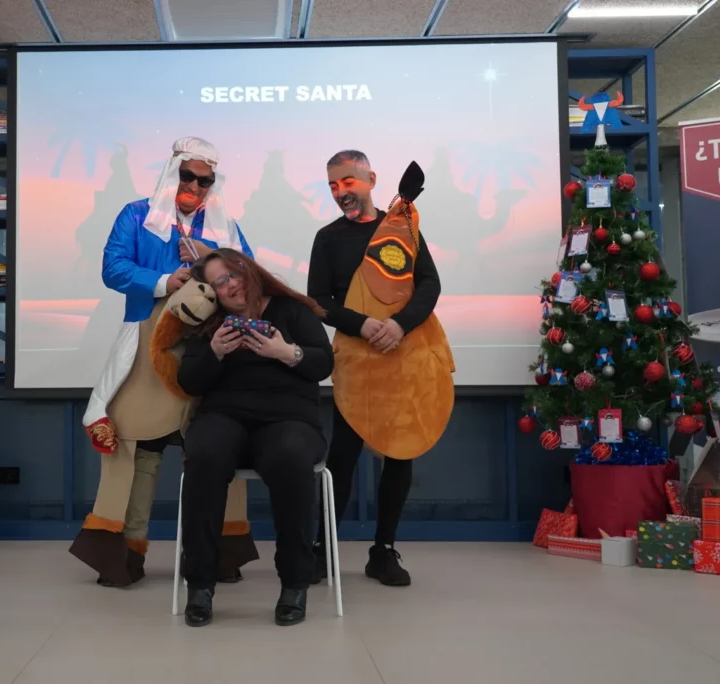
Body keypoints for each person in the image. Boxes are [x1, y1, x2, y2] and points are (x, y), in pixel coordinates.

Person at [77, 137, 254, 587]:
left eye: (205, 180)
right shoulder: (137, 215)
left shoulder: (225, 227)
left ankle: (217, 554)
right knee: (140, 450)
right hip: (146, 345)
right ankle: (126, 554)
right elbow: (112, 266)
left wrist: (213, 265)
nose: (195, 185)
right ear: (172, 172)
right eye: (188, 175)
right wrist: (163, 279)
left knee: (216, 451)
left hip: (210, 350)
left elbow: (250, 278)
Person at [307, 150, 452, 587]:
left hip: (403, 354)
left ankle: (383, 551)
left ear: (370, 178)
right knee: (343, 458)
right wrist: (364, 324)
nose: (340, 193)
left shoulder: (402, 226)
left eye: (347, 182)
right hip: (356, 360)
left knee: (400, 452)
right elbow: (319, 302)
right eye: (332, 185)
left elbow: (429, 283)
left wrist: (399, 325)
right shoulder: (328, 238)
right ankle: (322, 548)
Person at [179, 249, 333, 627]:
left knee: (291, 457)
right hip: (225, 416)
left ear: (249, 270)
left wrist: (286, 352)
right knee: (203, 455)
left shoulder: (291, 310)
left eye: (234, 274)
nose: (231, 285)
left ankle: (295, 583)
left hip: (289, 418)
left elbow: (323, 363)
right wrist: (213, 352)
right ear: (213, 293)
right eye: (219, 283)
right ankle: (200, 585)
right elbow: (188, 382)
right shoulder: (210, 323)